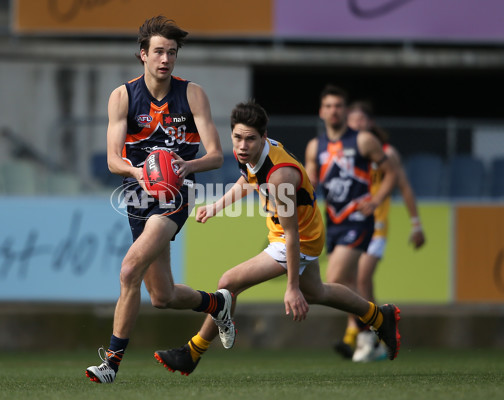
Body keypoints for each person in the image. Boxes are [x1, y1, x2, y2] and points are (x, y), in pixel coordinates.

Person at [153, 100, 401, 376]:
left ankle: (193, 351)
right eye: (237, 137)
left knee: (228, 283)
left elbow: (292, 235)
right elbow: (247, 179)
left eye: (250, 139)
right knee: (318, 292)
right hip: (295, 233)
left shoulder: (280, 176)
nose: (242, 145)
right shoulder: (248, 153)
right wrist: (216, 206)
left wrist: (291, 286)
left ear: (264, 137)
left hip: (298, 239)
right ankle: (379, 316)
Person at [85, 15, 232, 384]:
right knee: (162, 295)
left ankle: (111, 365)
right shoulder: (122, 96)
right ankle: (218, 303)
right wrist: (136, 172)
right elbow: (112, 159)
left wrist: (187, 164)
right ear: (142, 55)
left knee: (129, 269)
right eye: (158, 52)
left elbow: (216, 154)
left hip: (177, 193)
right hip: (139, 194)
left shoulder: (192, 93)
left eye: (172, 52)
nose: (166, 59)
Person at [303, 85, 399, 361]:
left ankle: (373, 327)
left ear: (345, 111)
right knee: (345, 282)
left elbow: (391, 173)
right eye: (329, 106)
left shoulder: (364, 140)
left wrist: (376, 199)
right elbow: (311, 184)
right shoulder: (315, 146)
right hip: (333, 222)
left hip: (358, 220)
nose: (334, 111)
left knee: (333, 280)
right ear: (321, 111)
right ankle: (372, 331)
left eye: (338, 106)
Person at [345, 100, 425, 362]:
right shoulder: (344, 153)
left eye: (361, 120)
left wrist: (416, 224)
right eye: (352, 120)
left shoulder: (387, 153)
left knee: (363, 279)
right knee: (348, 281)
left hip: (376, 226)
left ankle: (370, 335)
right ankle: (369, 333)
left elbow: (404, 188)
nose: (357, 124)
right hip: (350, 226)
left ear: (371, 123)